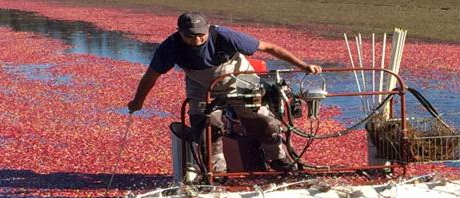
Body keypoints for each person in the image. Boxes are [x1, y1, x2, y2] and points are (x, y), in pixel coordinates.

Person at [127, 12, 322, 174]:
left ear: (208, 29)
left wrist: (303, 65)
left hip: (239, 80)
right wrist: (138, 101)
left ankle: (280, 161)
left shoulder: (225, 36)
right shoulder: (170, 47)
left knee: (262, 122)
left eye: (200, 35)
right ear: (180, 33)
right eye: (190, 36)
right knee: (205, 125)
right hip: (201, 86)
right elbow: (151, 76)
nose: (196, 40)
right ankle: (215, 172)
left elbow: (270, 47)